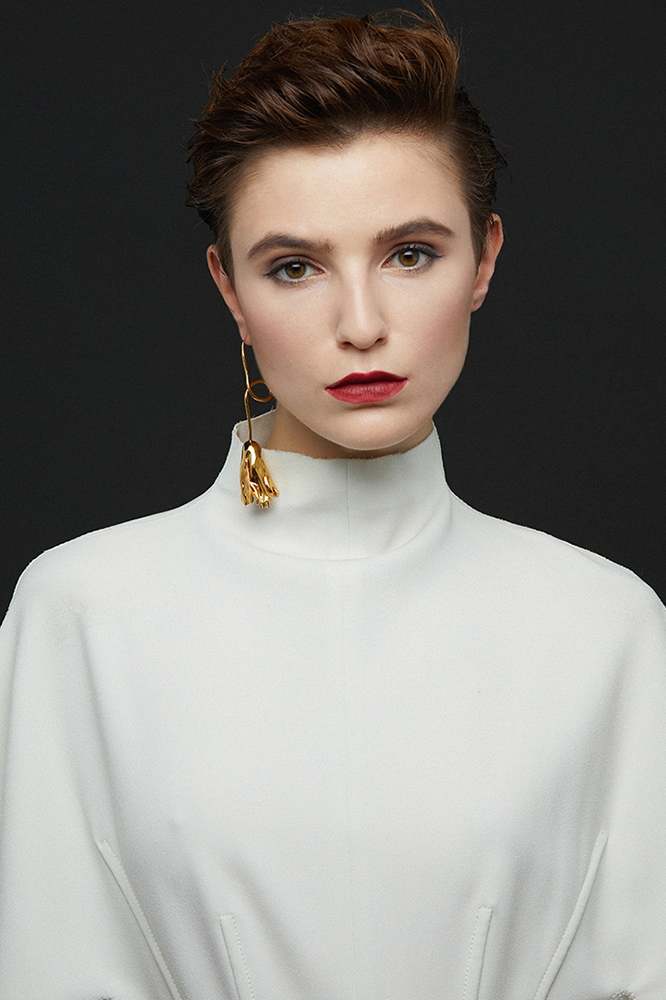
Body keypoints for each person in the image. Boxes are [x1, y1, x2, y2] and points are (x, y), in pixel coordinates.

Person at [0, 5, 664, 998]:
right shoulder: (76, 615)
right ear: (230, 289)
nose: (361, 323)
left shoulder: (610, 628)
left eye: (410, 253)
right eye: (296, 267)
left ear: (484, 260)